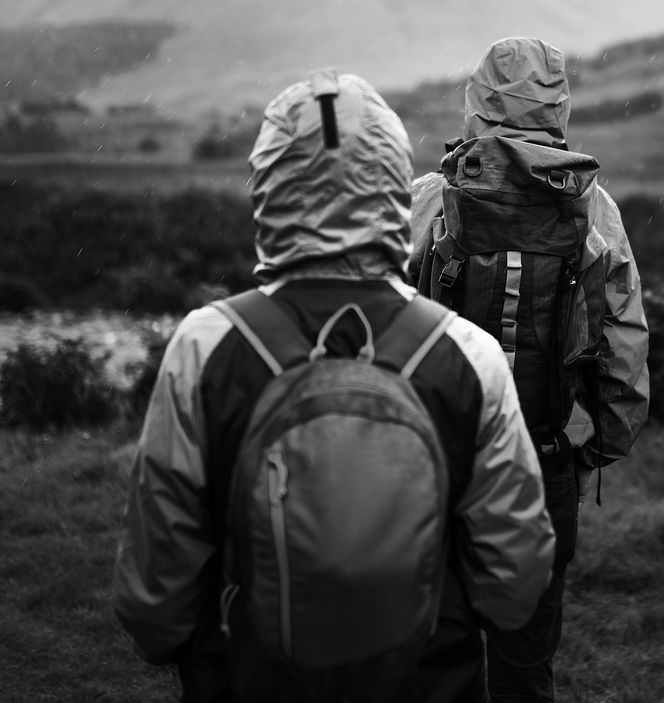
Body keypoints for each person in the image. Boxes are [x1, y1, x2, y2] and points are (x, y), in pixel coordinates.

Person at [112, 68, 555, 703]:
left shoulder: (204, 345)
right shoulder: (469, 354)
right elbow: (514, 584)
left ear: (269, 185)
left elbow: (157, 590)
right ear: (392, 190)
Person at [407, 38, 650, 703]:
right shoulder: (592, 208)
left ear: (476, 102)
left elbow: (380, 320)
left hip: (436, 461)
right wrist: (599, 441)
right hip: (543, 458)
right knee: (524, 659)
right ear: (560, 107)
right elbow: (623, 340)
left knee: (435, 657)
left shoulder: (431, 198)